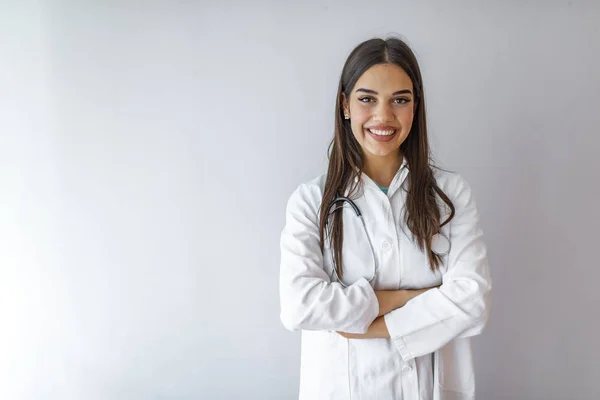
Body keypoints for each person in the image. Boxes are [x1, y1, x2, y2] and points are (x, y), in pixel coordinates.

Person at [279, 36, 492, 400]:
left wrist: (374, 326)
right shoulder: (311, 201)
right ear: (345, 105)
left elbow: (472, 301)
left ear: (415, 107)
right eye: (367, 99)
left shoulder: (451, 195)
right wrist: (405, 298)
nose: (384, 116)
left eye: (400, 100)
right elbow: (300, 306)